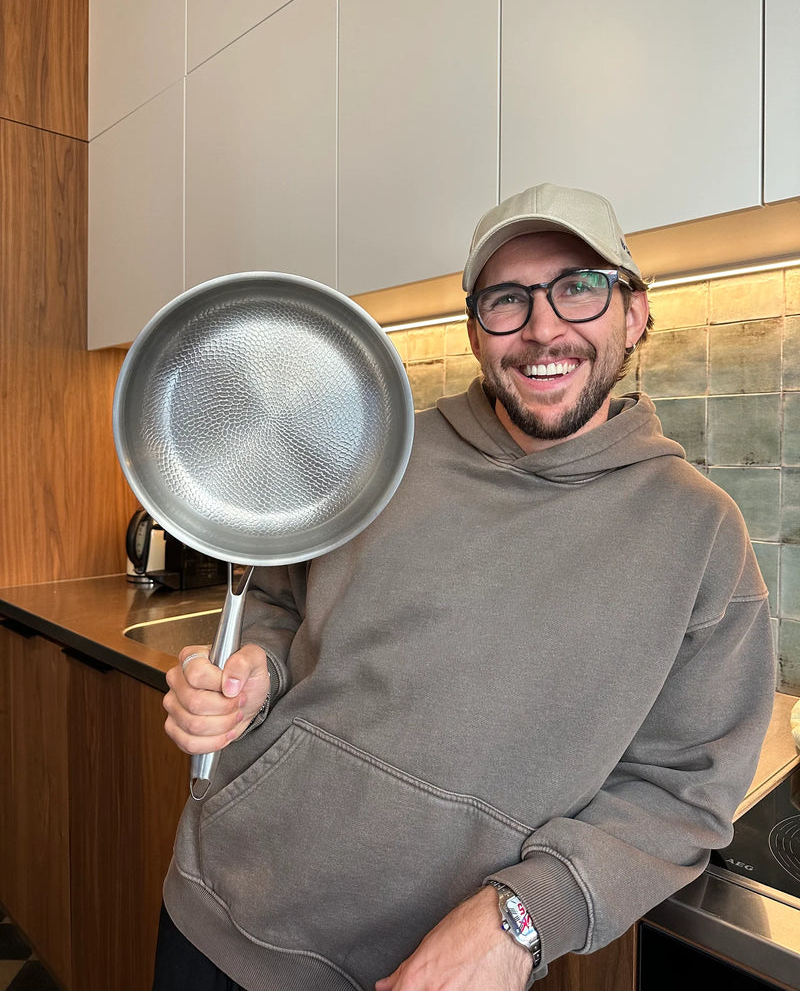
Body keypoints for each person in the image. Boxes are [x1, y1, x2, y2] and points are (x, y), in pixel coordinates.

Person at [154, 183, 775, 991]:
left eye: (580, 286)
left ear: (635, 313)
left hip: (437, 971)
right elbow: (277, 602)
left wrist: (523, 916)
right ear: (477, 330)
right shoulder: (377, 455)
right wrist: (255, 673)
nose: (543, 327)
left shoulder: (702, 535)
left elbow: (685, 791)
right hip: (225, 908)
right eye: (507, 298)